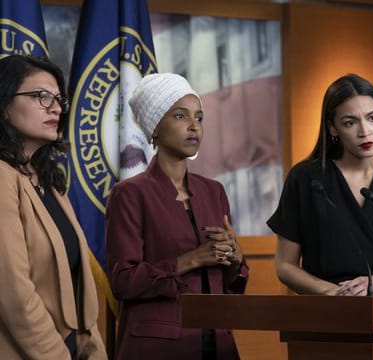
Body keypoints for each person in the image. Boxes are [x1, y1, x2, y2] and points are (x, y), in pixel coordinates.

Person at [106, 73, 249, 360]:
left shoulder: (214, 191)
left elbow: (233, 282)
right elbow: (123, 281)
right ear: (154, 128)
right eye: (181, 116)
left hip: (218, 343)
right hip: (157, 347)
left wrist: (234, 257)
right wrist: (192, 259)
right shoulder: (129, 194)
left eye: (199, 117)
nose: (194, 126)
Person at [267, 74, 373, 296]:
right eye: (350, 122)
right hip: (326, 312)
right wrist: (334, 294)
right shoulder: (305, 178)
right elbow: (285, 265)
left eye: (372, 118)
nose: (365, 131)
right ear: (332, 128)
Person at [0, 55, 106, 359]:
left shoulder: (49, 182)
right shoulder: (2, 177)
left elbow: (77, 289)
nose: (56, 107)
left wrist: (93, 350)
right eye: (40, 96)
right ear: (4, 104)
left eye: (59, 99)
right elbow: (13, 295)